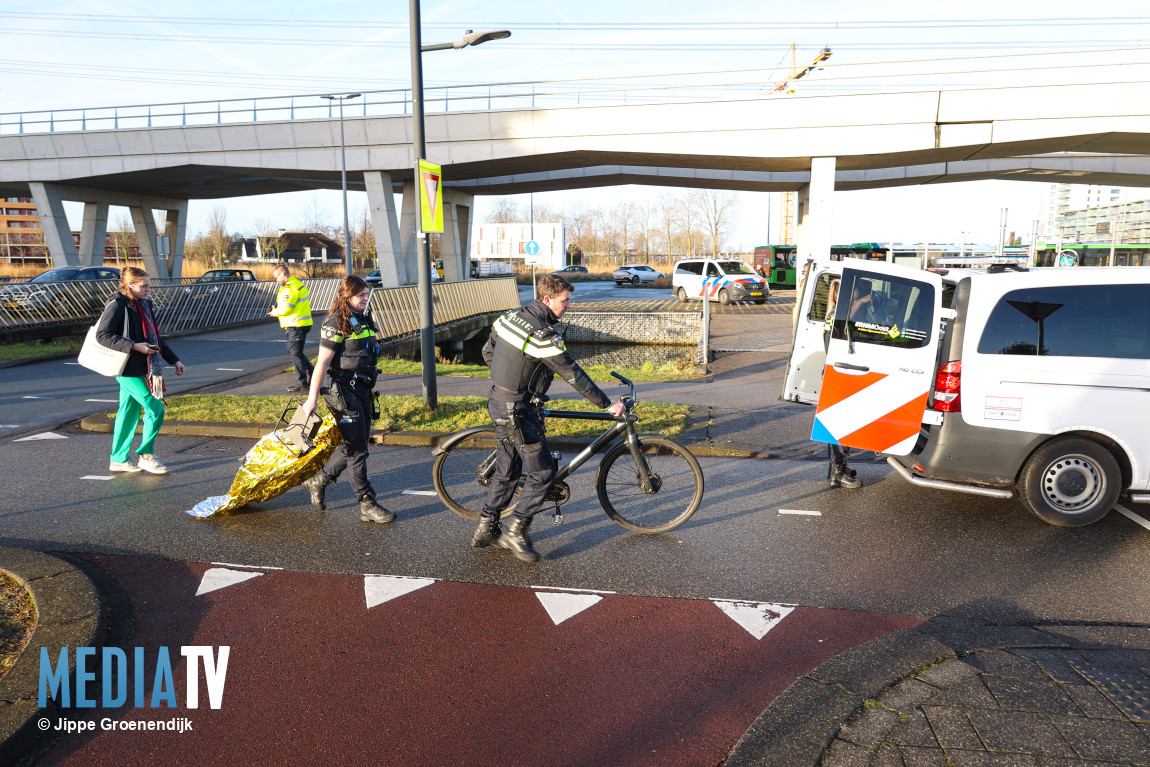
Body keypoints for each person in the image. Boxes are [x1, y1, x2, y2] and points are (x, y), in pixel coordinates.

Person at [473, 274, 626, 562]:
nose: (569, 305)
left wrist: (505, 381)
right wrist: (607, 405)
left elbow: (488, 349)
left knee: (507, 469)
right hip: (517, 410)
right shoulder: (541, 334)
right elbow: (572, 373)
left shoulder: (509, 317)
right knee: (542, 473)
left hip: (499, 400)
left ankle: (485, 528)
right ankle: (516, 531)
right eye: (565, 300)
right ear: (547, 299)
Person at [299, 276, 394, 524]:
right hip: (344, 393)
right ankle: (366, 504)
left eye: (366, 294)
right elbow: (321, 364)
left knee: (356, 444)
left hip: (363, 390)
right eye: (360, 295)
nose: (365, 299)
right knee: (358, 450)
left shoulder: (363, 318)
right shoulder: (336, 323)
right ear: (346, 297)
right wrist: (311, 401)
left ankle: (319, 480)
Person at [95, 266, 185, 474]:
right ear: (130, 285)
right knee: (156, 407)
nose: (148, 289)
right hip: (124, 369)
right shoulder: (117, 305)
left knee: (128, 413)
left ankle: (118, 459)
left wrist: (174, 359)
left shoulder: (142, 305)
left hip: (138, 367)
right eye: (144, 286)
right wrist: (135, 346)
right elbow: (103, 336)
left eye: (148, 285)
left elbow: (154, 337)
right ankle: (146, 455)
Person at [822, 278, 862, 490]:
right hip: (840, 376)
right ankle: (838, 473)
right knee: (842, 426)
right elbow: (852, 314)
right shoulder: (839, 317)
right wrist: (863, 301)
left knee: (837, 426)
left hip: (833, 374)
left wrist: (836, 284)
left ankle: (836, 469)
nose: (855, 298)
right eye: (852, 295)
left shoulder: (831, 314)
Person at [267, 265, 314, 393]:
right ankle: (312, 371)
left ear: (283, 274)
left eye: (277, 277)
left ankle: (302, 382)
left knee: (295, 352)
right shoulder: (294, 285)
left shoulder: (290, 288)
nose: (276, 280)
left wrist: (275, 312)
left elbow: (287, 308)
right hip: (298, 324)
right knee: (293, 350)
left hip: (297, 325)